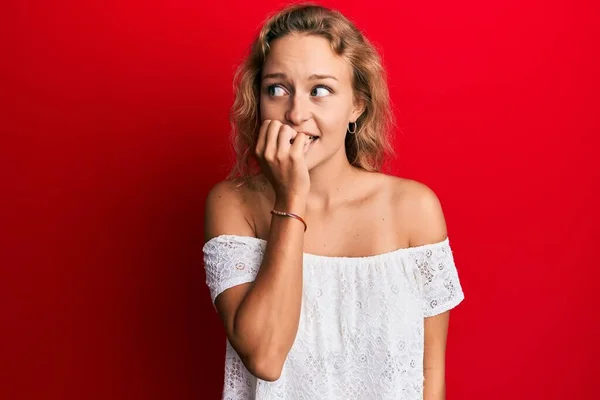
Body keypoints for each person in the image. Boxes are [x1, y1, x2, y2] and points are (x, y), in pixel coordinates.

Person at [203, 3, 465, 399]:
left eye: (319, 90)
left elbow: (431, 375)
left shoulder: (415, 210)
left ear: (356, 105)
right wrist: (292, 197)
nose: (295, 113)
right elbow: (265, 357)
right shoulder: (233, 205)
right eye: (277, 88)